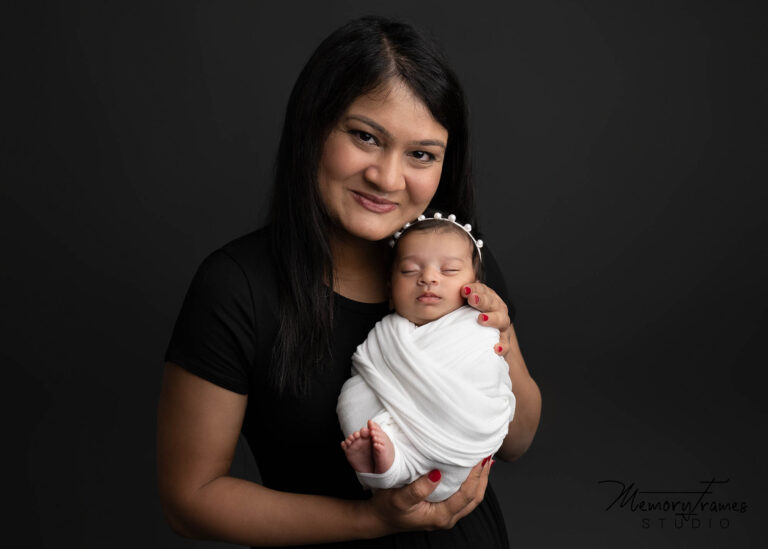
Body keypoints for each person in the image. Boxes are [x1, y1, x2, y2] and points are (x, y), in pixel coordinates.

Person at [157, 15, 541, 548]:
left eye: (421, 155)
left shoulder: (454, 264)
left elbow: (516, 442)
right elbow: (190, 499)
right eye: (365, 137)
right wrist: (373, 521)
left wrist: (504, 339)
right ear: (314, 125)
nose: (387, 177)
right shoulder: (236, 287)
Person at [338, 213, 516, 503]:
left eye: (449, 270)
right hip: (399, 439)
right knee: (353, 395)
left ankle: (392, 463)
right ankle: (388, 466)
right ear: (390, 292)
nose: (428, 278)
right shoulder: (388, 333)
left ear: (476, 286)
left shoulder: (479, 329)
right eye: (409, 271)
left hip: (458, 437)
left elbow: (492, 384)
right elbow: (368, 366)